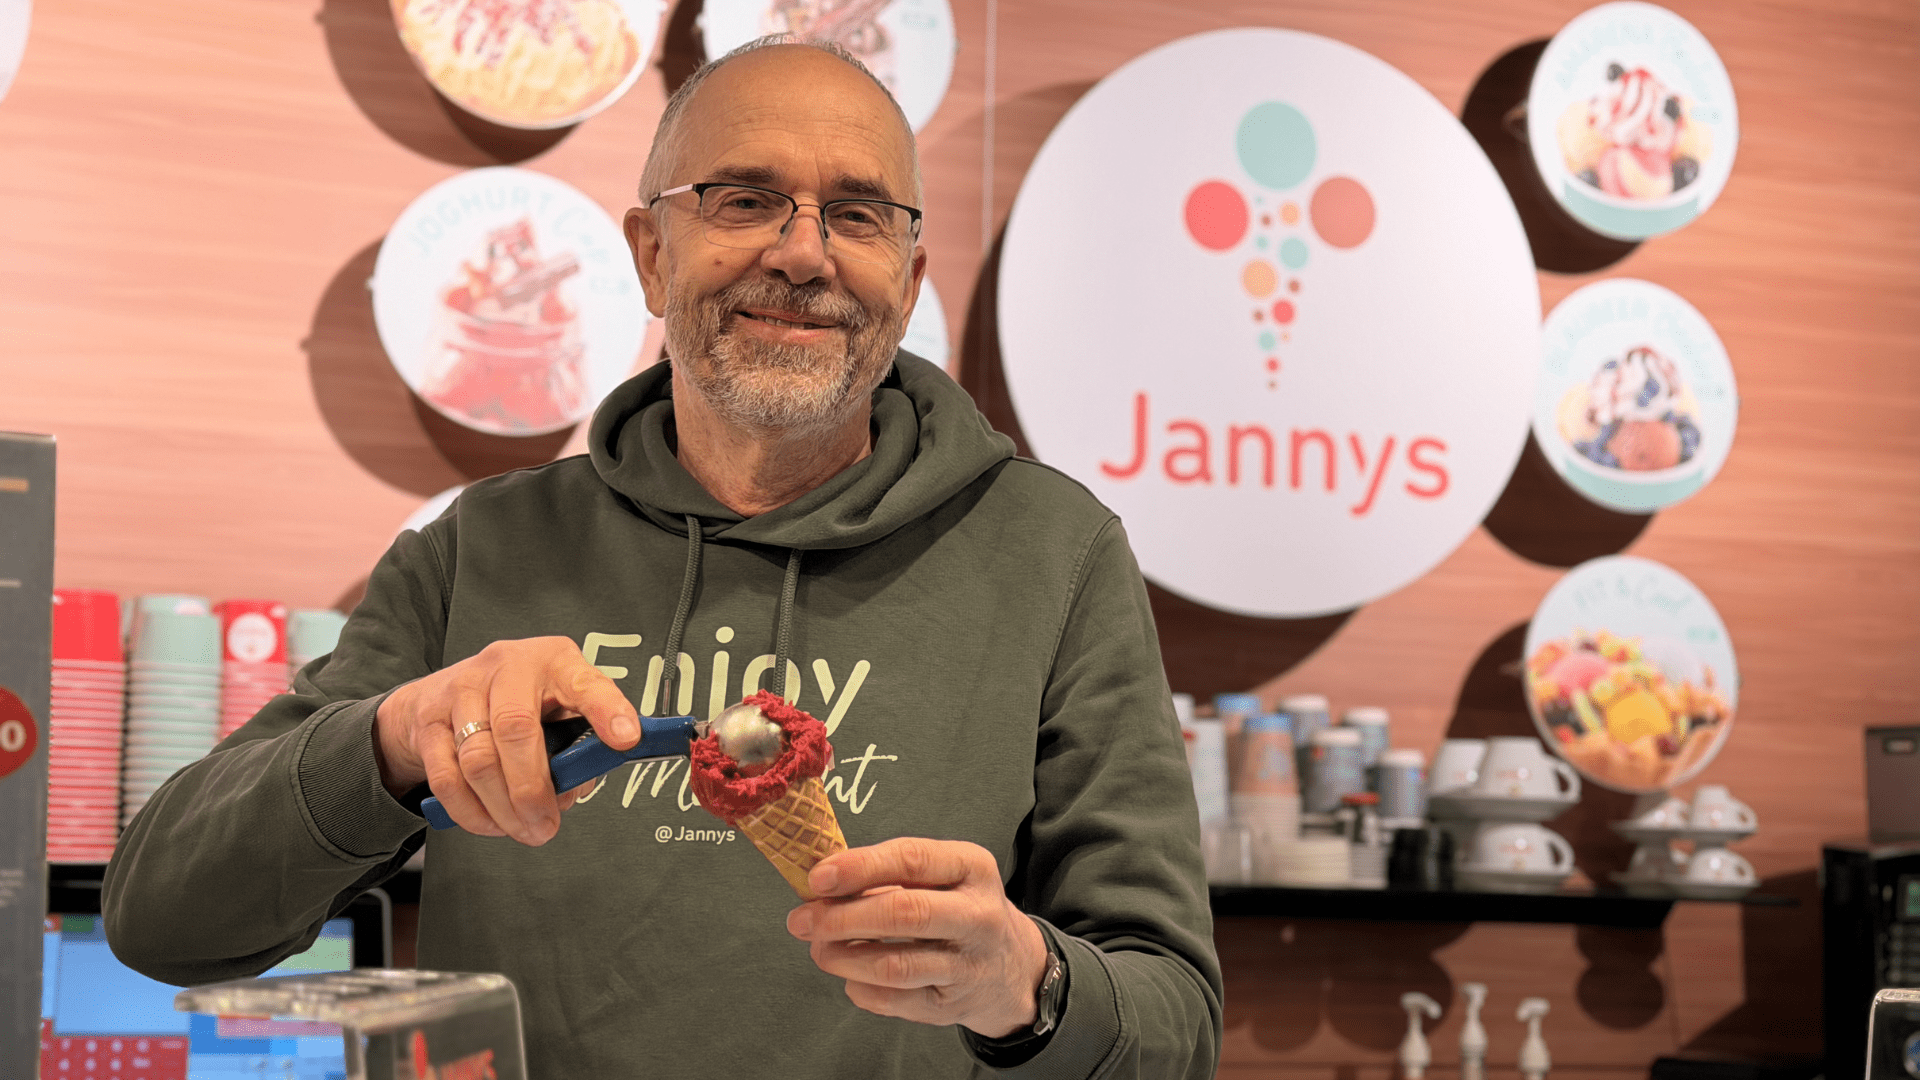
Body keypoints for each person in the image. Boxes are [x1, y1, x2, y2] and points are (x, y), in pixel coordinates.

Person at [105, 38, 1222, 1079]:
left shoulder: (1053, 555)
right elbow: (160, 919)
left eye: (858, 214)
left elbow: (1175, 1023)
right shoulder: (480, 552)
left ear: (911, 277)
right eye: (744, 200)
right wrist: (396, 742)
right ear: (649, 254)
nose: (803, 253)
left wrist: (1029, 984)